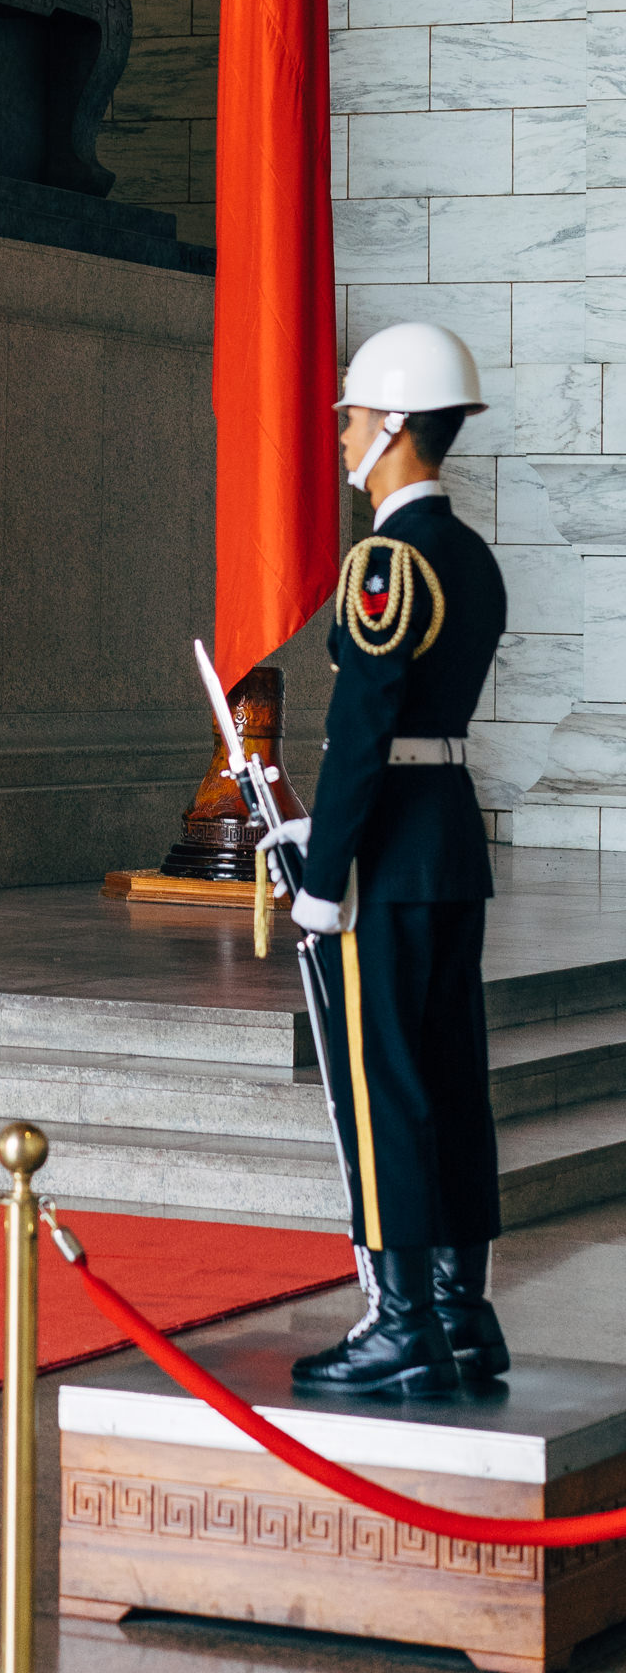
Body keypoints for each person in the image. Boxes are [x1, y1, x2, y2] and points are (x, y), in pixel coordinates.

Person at [262, 322, 510, 1399]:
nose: (346, 433)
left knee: (384, 1090)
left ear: (396, 428)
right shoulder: (470, 555)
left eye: (356, 416)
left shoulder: (386, 562)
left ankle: (398, 1323)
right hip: (447, 842)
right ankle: (462, 1314)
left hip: (387, 860)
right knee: (451, 1077)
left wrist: (321, 882)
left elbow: (362, 732)